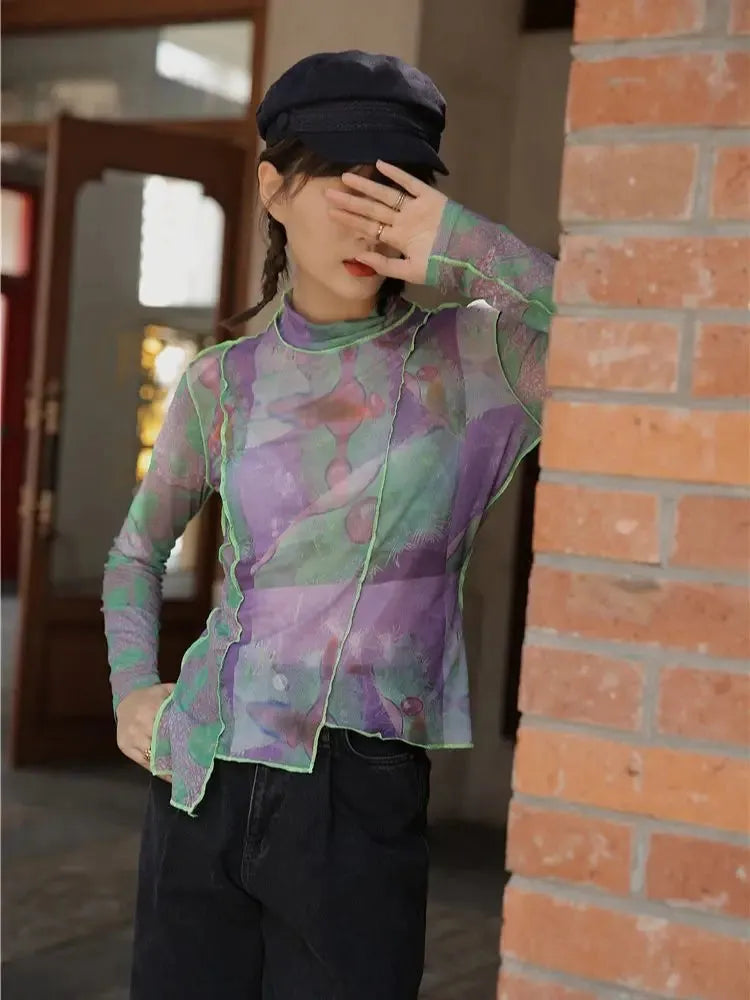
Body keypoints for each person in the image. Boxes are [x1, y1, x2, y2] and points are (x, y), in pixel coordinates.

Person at [103, 49, 555, 1000]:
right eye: (345, 184)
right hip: (202, 768)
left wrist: (464, 240)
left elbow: (632, 341)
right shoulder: (222, 381)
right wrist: (132, 688)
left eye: (397, 191)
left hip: (361, 786)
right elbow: (138, 551)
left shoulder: (478, 358)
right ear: (274, 189)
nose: (369, 219)